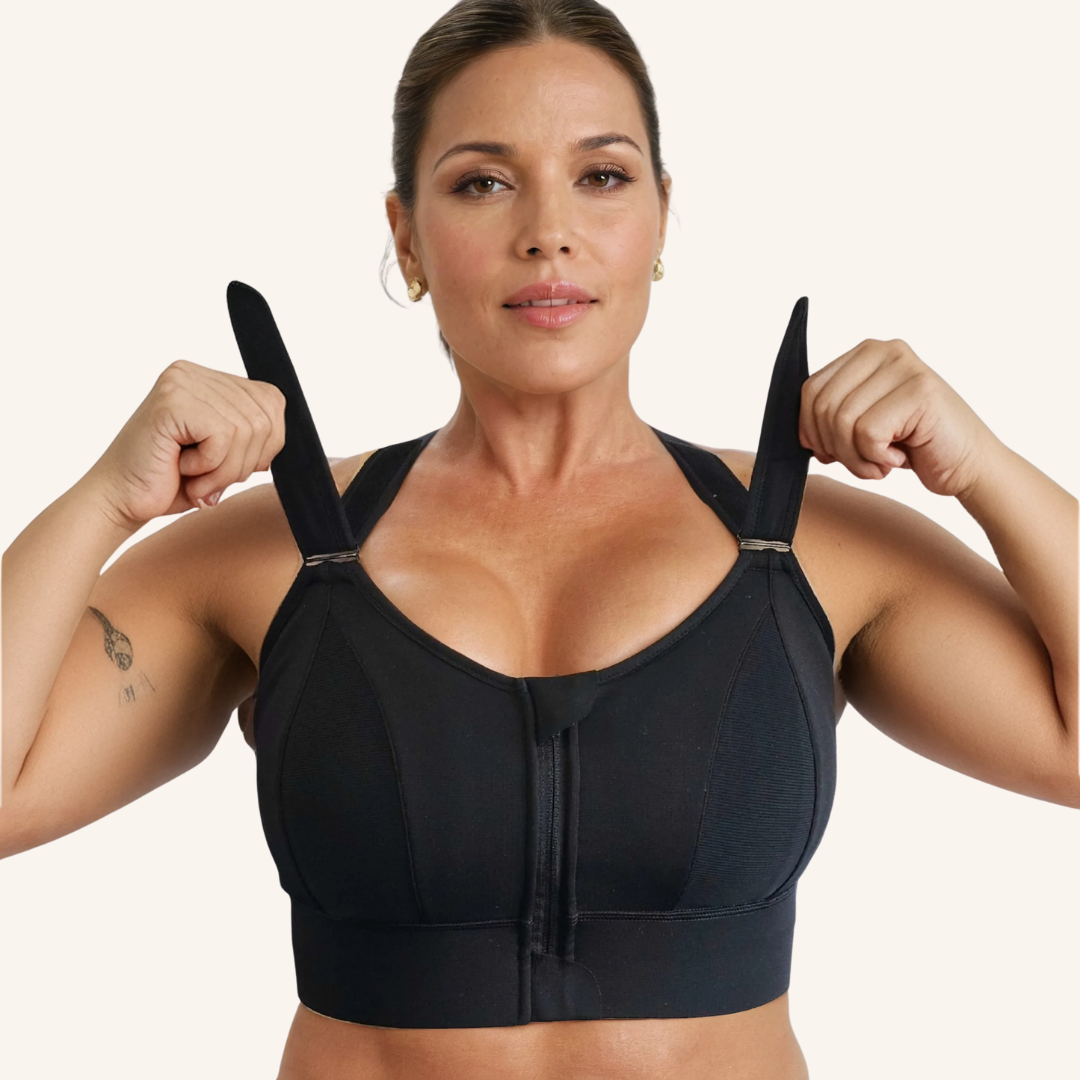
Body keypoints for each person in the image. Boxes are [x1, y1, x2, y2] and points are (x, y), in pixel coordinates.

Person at [2, 1, 1076, 1078]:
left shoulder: (816, 551)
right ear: (407, 237)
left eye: (601, 176)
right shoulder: (264, 558)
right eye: (483, 182)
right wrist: (102, 501)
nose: (548, 231)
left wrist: (983, 466)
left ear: (663, 216)